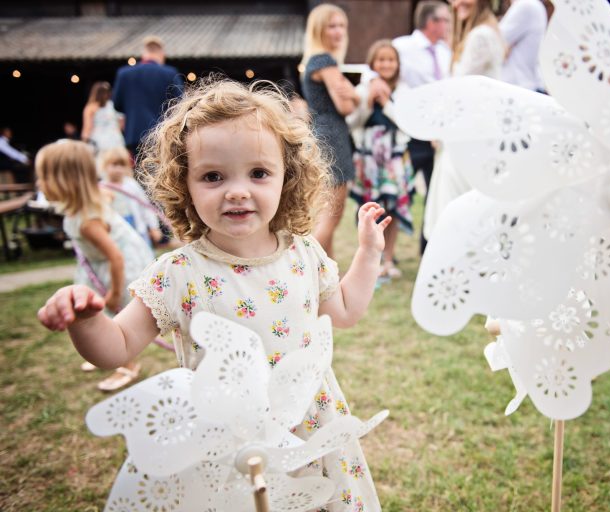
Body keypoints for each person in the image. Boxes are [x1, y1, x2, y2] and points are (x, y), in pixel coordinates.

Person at [37, 78, 390, 509]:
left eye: (258, 173)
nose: (237, 190)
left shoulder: (304, 253)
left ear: (287, 177)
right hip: (224, 443)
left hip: (309, 428)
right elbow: (117, 347)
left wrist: (369, 254)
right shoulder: (178, 273)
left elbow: (347, 310)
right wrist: (86, 320)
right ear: (184, 185)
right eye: (213, 176)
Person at [34, 140, 154, 391]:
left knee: (114, 313)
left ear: (64, 181)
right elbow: (106, 195)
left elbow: (116, 258)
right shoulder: (84, 205)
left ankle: (127, 365)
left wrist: (113, 294)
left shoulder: (88, 221)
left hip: (118, 268)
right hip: (101, 266)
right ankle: (105, 350)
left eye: (43, 177)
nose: (39, 184)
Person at [422, 0, 505, 241]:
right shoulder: (484, 32)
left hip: (469, 134)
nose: (457, 4)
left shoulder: (480, 36)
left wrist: (439, 127)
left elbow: (459, 88)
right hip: (471, 130)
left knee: (456, 202)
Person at [301, 4, 369, 259]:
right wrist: (355, 94)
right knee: (331, 216)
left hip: (322, 134)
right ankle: (305, 267)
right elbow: (345, 105)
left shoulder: (313, 61)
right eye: (332, 26)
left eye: (342, 25)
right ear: (319, 29)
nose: (339, 31)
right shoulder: (325, 61)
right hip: (333, 137)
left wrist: (350, 94)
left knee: (324, 214)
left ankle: (326, 276)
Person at [348, 40, 413, 279]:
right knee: (368, 210)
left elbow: (406, 123)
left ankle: (389, 259)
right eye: (381, 60)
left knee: (392, 208)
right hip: (368, 161)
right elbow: (352, 122)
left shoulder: (403, 92)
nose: (386, 64)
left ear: (397, 64)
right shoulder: (363, 89)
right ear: (373, 63)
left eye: (391, 60)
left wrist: (386, 103)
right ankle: (368, 259)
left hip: (393, 159)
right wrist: (368, 102)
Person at [392, 0, 452, 254]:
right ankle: (386, 252)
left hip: (439, 135)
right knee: (397, 191)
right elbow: (377, 73)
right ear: (432, 22)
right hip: (411, 133)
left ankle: (429, 248)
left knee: (436, 192)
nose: (449, 25)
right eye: (446, 20)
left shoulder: (446, 52)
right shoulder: (402, 47)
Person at [112, 36, 184, 157]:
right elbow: (181, 104)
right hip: (162, 135)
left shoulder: (124, 74)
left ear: (144, 53)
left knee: (139, 173)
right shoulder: (170, 73)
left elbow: (117, 104)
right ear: (161, 54)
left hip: (134, 135)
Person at [98, 146, 162, 247]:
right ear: (105, 166)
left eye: (122, 165)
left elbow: (145, 206)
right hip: (116, 230)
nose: (118, 169)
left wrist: (154, 227)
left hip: (137, 227)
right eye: (114, 165)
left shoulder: (131, 185)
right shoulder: (102, 188)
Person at [498, 0, 547, 91]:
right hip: (524, 86)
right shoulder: (532, 5)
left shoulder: (526, 5)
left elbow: (493, 43)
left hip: (519, 88)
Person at [81, 81, 126, 155]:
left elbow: (87, 129)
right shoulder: (114, 106)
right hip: (116, 140)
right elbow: (122, 125)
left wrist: (84, 143)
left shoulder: (90, 108)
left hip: (98, 142)